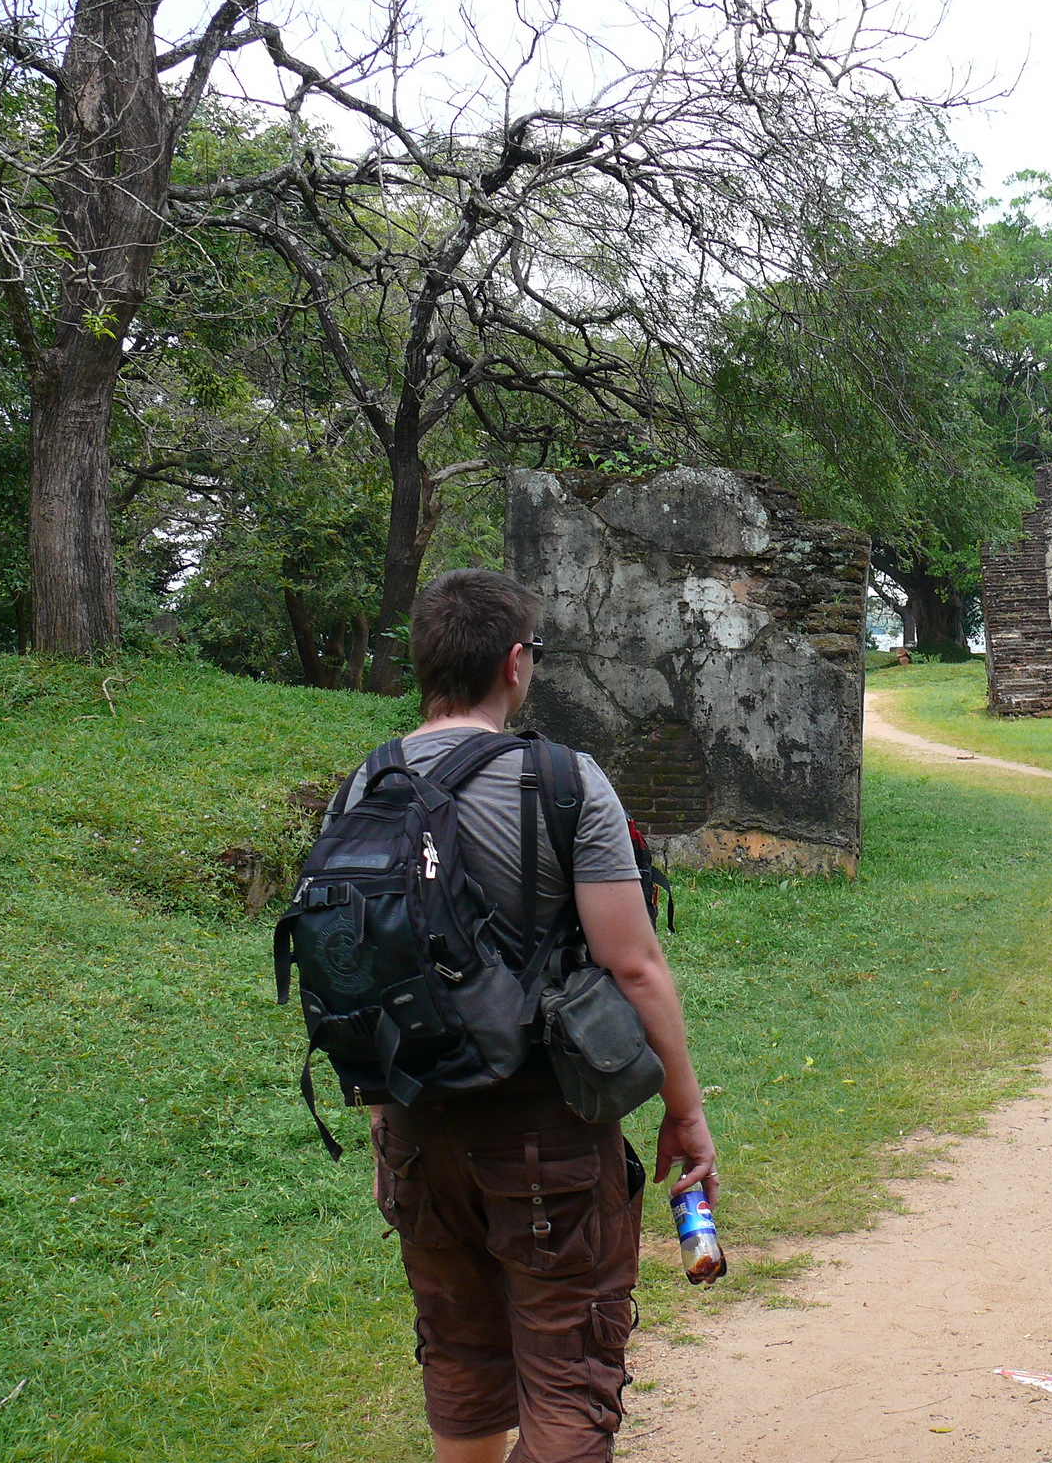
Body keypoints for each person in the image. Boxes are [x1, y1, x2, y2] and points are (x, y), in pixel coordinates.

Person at [327, 569, 716, 1463]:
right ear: (514, 662)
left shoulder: (366, 785)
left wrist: (388, 1117)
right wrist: (685, 1112)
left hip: (415, 1127)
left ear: (423, 664)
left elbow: (362, 969)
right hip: (547, 1130)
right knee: (568, 1371)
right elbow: (633, 964)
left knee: (459, 1355)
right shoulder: (561, 781)